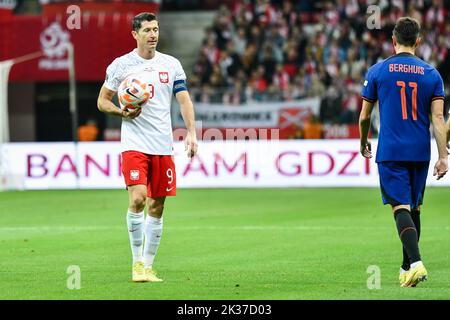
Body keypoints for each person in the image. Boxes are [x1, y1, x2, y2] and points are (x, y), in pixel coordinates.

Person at [97, 12, 198, 282]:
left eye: (156, 29)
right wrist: (122, 112)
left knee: (157, 207)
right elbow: (102, 102)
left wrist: (191, 133)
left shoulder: (172, 64)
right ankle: (137, 265)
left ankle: (149, 266)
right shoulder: (121, 65)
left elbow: (184, 100)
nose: (153, 34)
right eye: (147, 30)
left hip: (162, 146)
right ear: (135, 34)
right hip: (134, 144)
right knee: (138, 199)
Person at [359, 17, 448, 288]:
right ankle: (405, 268)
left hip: (391, 151)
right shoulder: (432, 74)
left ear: (393, 41)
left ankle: (417, 263)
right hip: (420, 152)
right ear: (418, 42)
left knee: (400, 208)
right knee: (414, 209)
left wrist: (363, 140)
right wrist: (443, 156)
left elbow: (364, 116)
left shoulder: (377, 71)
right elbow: (438, 120)